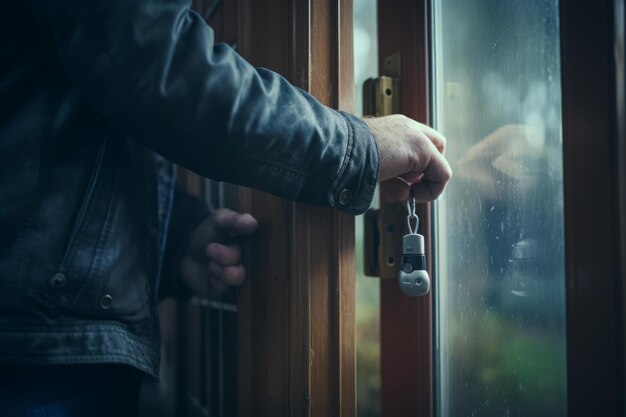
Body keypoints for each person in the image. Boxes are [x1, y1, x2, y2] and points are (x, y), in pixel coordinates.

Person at [0, 1, 452, 415]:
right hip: (34, 351)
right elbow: (152, 58)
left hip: (44, 336)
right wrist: (357, 147)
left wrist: (178, 237)